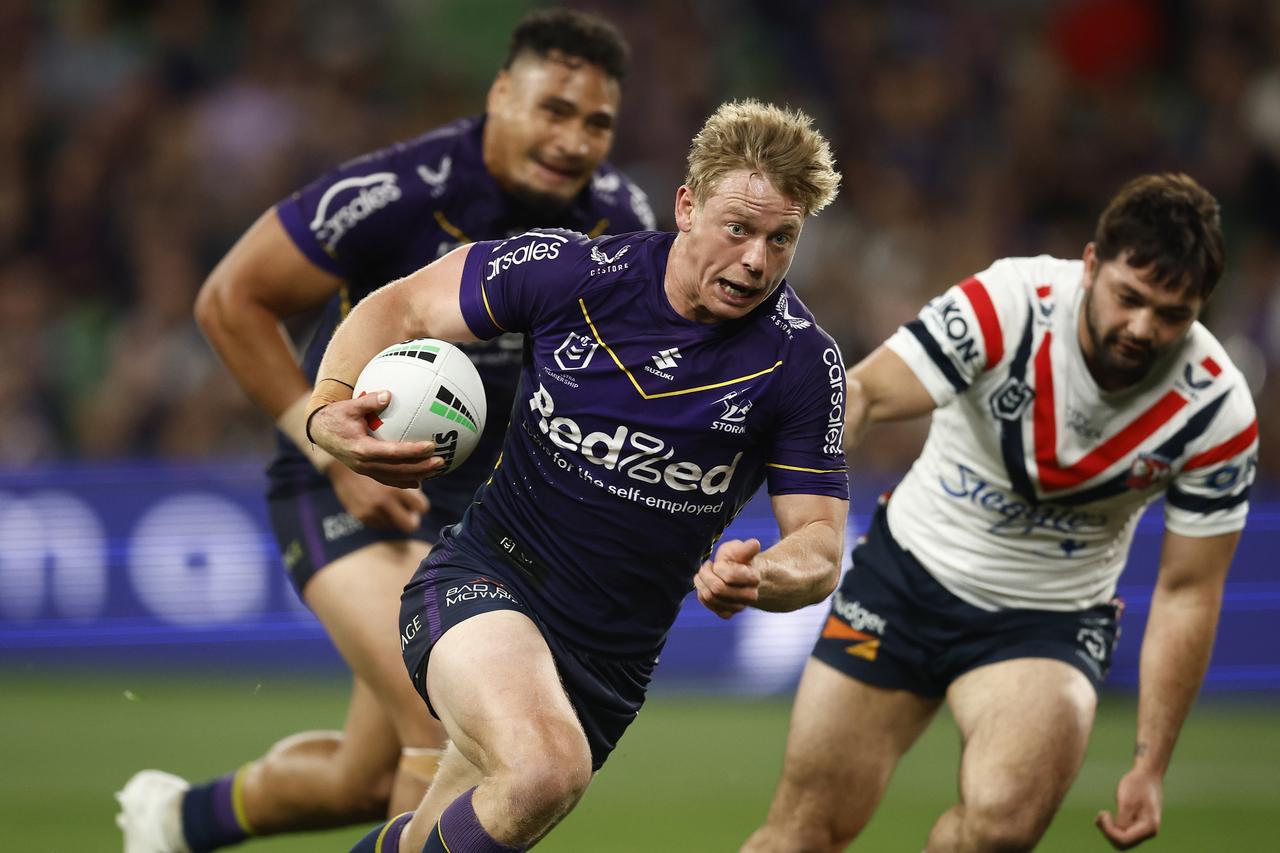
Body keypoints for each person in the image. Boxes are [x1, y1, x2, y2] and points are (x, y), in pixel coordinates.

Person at [115, 9, 655, 853]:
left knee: (363, 780)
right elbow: (231, 299)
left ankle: (175, 821)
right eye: (554, 110)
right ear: (501, 94)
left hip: (480, 519)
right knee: (441, 721)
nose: (575, 140)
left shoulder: (620, 218)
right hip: (344, 485)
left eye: (597, 123)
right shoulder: (401, 191)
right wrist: (325, 446)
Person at [302, 98, 849, 852]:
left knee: (437, 835)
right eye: (739, 228)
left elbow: (819, 541)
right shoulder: (574, 271)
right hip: (488, 582)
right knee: (545, 769)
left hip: (608, 664)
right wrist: (328, 407)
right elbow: (402, 309)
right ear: (688, 206)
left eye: (781, 238)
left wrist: (768, 575)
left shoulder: (801, 362)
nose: (757, 258)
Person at [742, 173, 1258, 853]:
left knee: (1000, 826)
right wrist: (802, 527)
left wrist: (1150, 763)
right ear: (1092, 265)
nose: (1142, 327)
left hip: (1046, 621)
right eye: (1129, 298)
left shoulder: (1217, 412)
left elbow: (1188, 590)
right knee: (803, 832)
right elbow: (863, 394)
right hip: (904, 578)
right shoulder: (1010, 301)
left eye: (1172, 314)